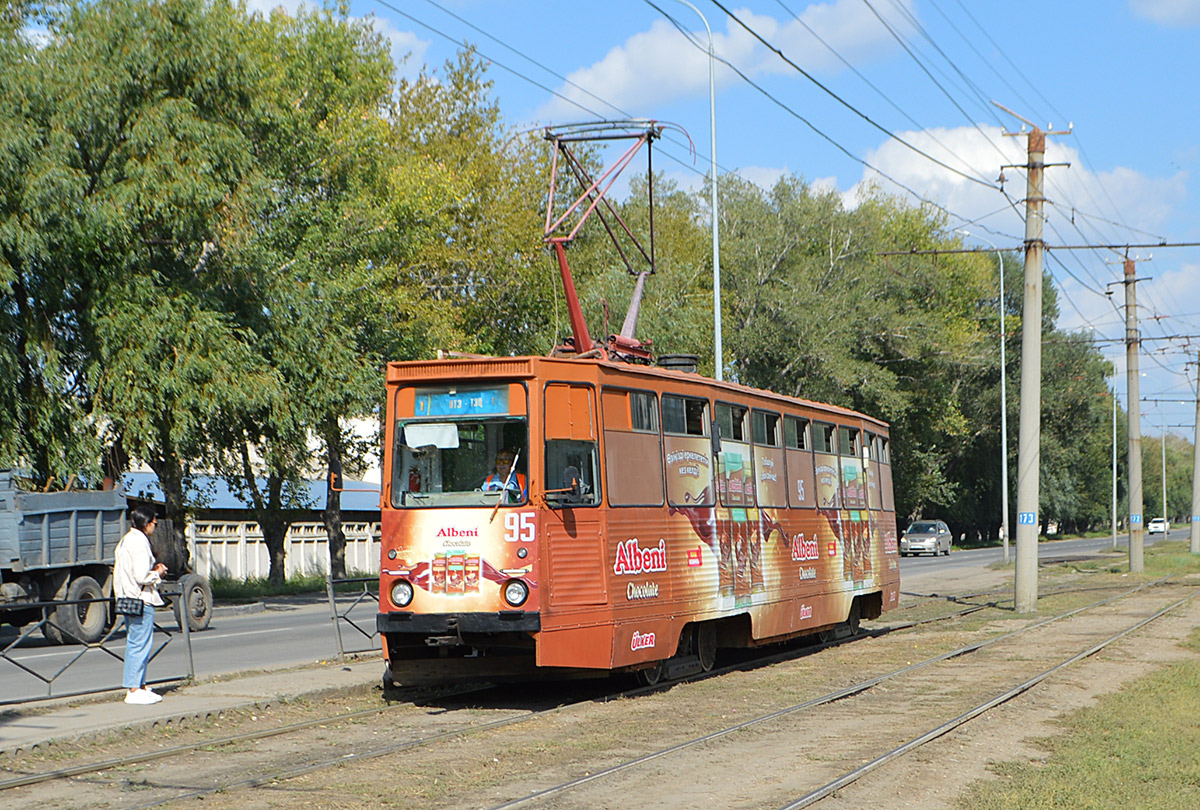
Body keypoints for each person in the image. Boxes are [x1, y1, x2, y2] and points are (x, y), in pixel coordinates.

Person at [114, 505, 167, 705]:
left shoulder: (126, 540)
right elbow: (141, 576)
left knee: (138, 642)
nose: (155, 526)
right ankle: (134, 689)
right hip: (140, 598)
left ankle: (140, 685)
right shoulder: (139, 542)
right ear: (146, 523)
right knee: (139, 644)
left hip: (128, 597)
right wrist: (158, 573)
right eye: (154, 523)